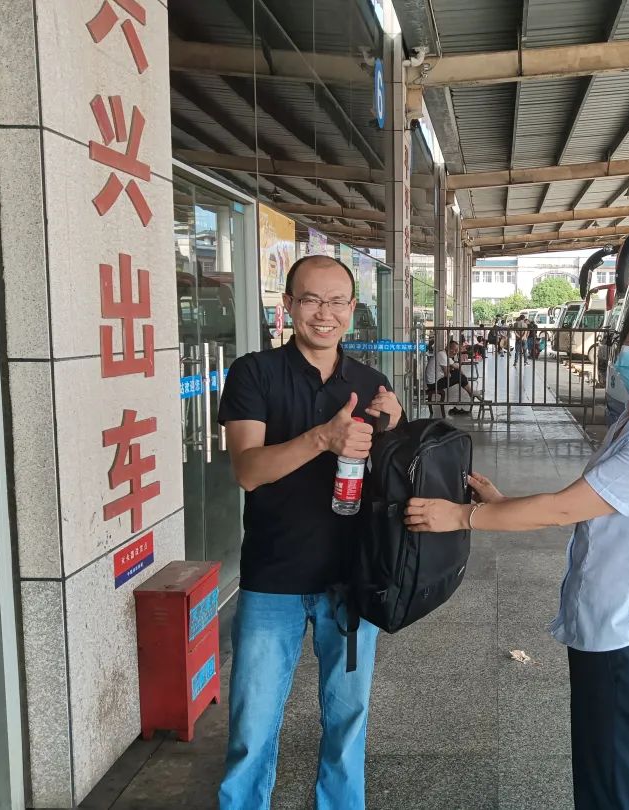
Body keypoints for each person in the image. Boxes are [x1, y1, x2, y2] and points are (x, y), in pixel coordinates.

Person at [404, 294, 629, 810]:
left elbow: (564, 509)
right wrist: (503, 503)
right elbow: (588, 502)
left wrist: (460, 516)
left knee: (609, 788)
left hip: (626, 637)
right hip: (608, 627)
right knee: (598, 775)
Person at [217, 255, 404, 810]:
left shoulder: (370, 383)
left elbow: (388, 481)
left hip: (350, 581)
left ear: (353, 308)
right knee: (252, 726)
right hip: (271, 577)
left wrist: (396, 429)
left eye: (337, 301)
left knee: (348, 723)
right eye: (311, 300)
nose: (325, 313)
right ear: (288, 305)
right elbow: (248, 470)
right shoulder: (254, 373)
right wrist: (323, 438)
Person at [426, 339, 482, 416]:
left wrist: (463, 376)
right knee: (457, 375)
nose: (454, 352)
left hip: (436, 381)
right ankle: (471, 393)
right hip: (433, 384)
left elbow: (457, 367)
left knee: (458, 374)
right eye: (453, 349)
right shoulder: (442, 355)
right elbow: (447, 375)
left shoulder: (446, 355)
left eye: (456, 350)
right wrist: (453, 371)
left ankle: (471, 392)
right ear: (447, 348)